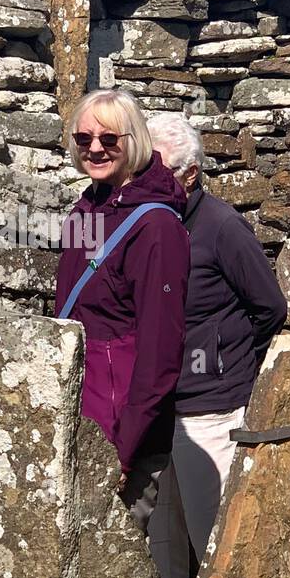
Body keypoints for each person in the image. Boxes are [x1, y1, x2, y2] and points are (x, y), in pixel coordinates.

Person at [147, 112, 288, 578]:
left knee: (214, 543)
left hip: (211, 410)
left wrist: (225, 363)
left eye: (158, 171)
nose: (146, 180)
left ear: (191, 173)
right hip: (160, 411)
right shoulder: (146, 223)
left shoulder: (223, 226)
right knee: (164, 550)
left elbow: (269, 306)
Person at [54, 88, 190, 549]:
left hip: (121, 438)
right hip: (79, 418)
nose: (94, 148)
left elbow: (160, 352)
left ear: (134, 141)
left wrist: (123, 451)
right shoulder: (86, 207)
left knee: (111, 565)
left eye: (110, 139)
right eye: (83, 137)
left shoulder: (157, 228)